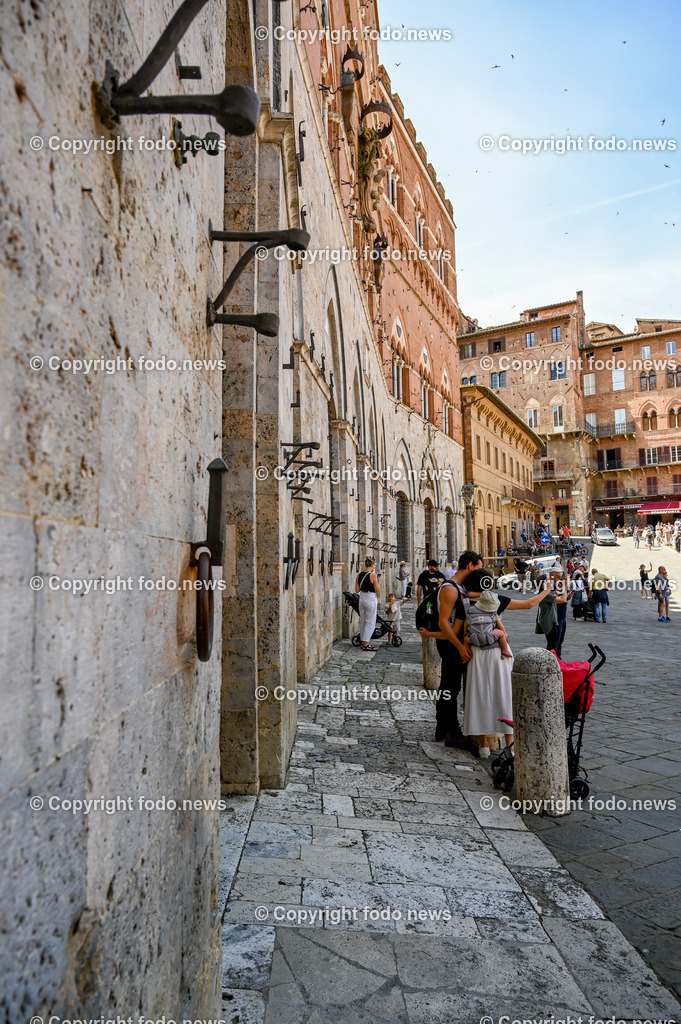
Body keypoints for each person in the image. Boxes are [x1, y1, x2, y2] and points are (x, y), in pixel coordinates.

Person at [417, 550, 483, 750]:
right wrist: (460, 646)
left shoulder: (461, 588)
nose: (479, 573)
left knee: (450, 686)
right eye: (478, 568)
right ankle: (451, 732)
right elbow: (443, 622)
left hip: (454, 642)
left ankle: (444, 728)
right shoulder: (450, 589)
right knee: (450, 687)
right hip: (450, 644)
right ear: (470, 565)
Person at [465, 590, 512, 658]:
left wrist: (465, 633)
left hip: (474, 638)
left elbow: (466, 622)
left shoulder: (471, 611)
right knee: (501, 634)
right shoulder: (492, 614)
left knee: (465, 639)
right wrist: (504, 634)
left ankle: (467, 652)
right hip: (489, 637)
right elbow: (501, 627)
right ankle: (505, 650)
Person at [536, 570, 568, 650]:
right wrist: (565, 587)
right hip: (549, 621)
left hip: (547, 620)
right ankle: (550, 660)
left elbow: (555, 594)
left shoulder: (544, 593)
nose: (550, 581)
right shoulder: (545, 594)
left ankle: (552, 659)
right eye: (548, 580)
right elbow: (562, 600)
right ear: (543, 584)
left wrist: (561, 586)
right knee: (552, 645)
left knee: (552, 643)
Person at [355, 557, 380, 651]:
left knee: (363, 621)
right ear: (372, 565)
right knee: (370, 621)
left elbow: (357, 590)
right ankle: (365, 643)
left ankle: (362, 641)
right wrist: (378, 581)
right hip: (370, 598)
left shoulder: (359, 575)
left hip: (362, 597)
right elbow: (377, 590)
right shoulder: (373, 575)